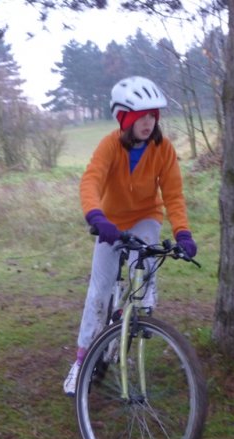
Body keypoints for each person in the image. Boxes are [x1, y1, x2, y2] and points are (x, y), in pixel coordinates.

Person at [62, 76, 197, 396]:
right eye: (141, 116)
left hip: (146, 216)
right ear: (125, 118)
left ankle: (137, 308)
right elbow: (91, 181)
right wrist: (96, 216)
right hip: (109, 222)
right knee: (98, 291)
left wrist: (183, 232)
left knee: (147, 254)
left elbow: (174, 196)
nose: (148, 122)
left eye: (153, 116)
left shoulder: (163, 150)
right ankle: (81, 361)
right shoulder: (109, 145)